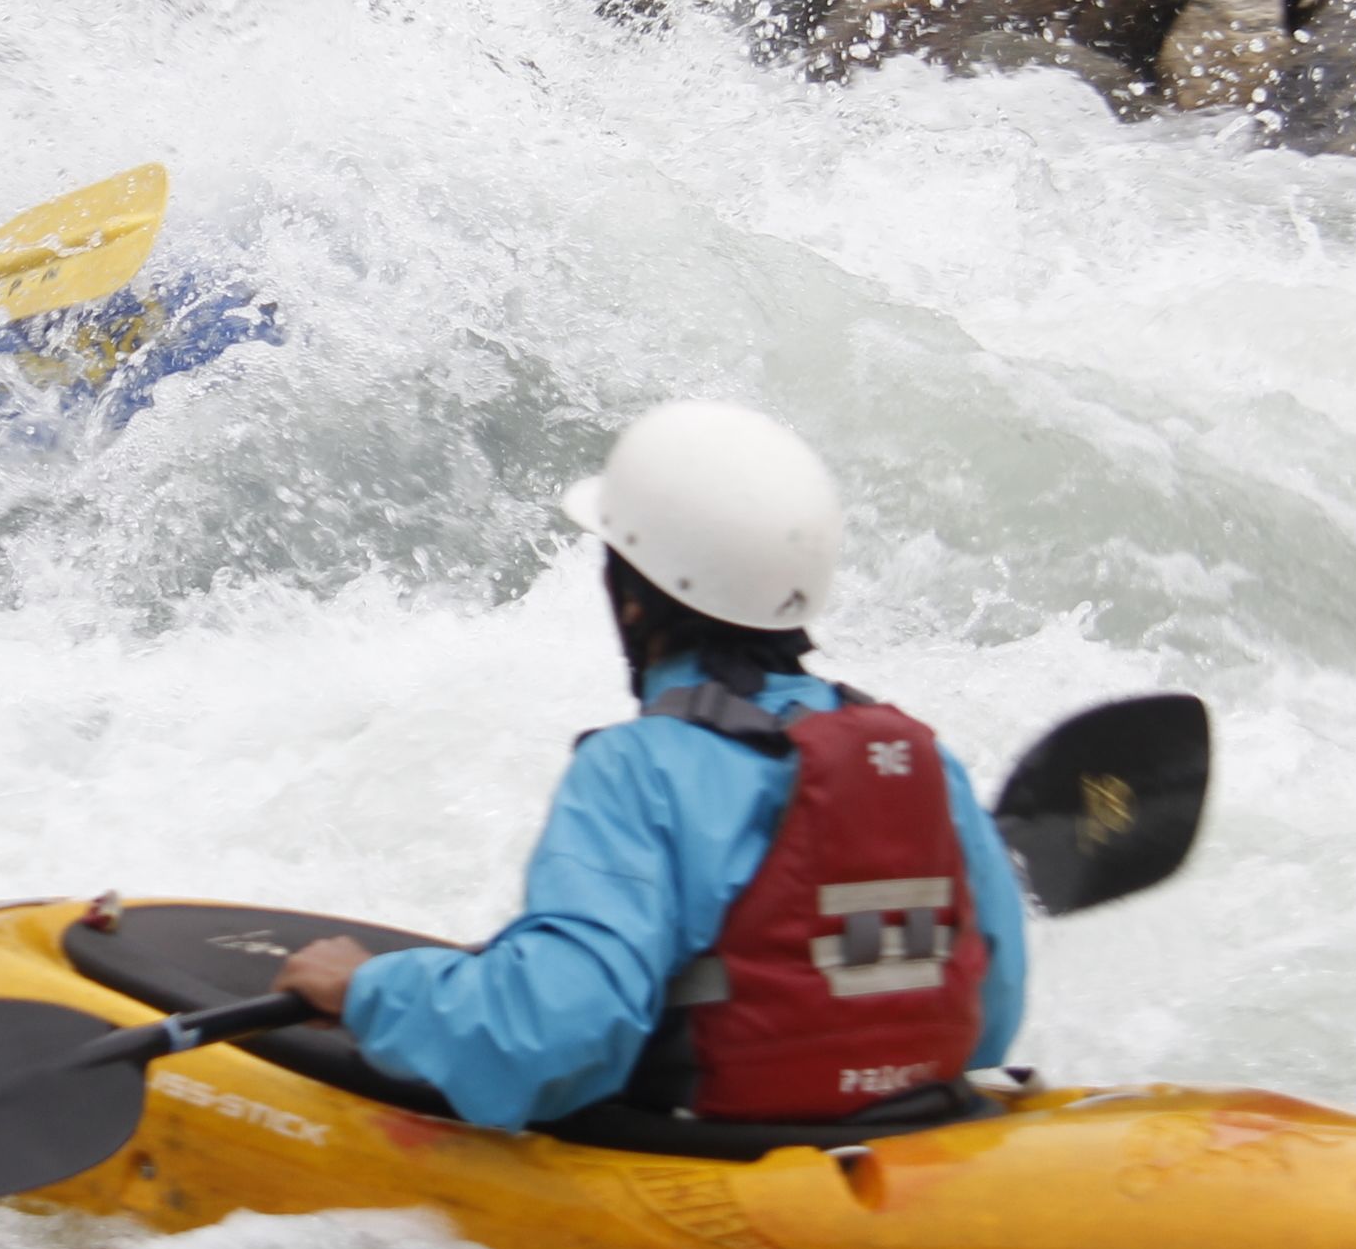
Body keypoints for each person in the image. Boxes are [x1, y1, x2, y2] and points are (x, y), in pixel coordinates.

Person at [270, 402, 1031, 1132]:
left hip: (715, 1157)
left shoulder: (638, 770)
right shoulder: (923, 761)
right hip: (917, 1139)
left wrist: (372, 991)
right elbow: (990, 1018)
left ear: (632, 601)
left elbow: (555, 1037)